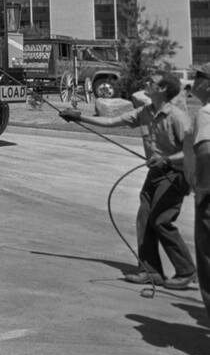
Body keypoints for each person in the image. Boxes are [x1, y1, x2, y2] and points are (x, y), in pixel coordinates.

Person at [60, 73, 194, 287]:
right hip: (155, 174)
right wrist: (78, 117)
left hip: (175, 175)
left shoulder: (177, 117)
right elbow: (111, 121)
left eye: (153, 82)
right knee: (144, 219)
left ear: (163, 90)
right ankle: (151, 272)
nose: (147, 83)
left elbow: (191, 152)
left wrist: (167, 159)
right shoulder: (145, 112)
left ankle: (186, 270)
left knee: (161, 220)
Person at [182, 65, 210, 355]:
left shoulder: (205, 113)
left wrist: (201, 194)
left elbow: (206, 152)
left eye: (200, 80)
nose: (194, 85)